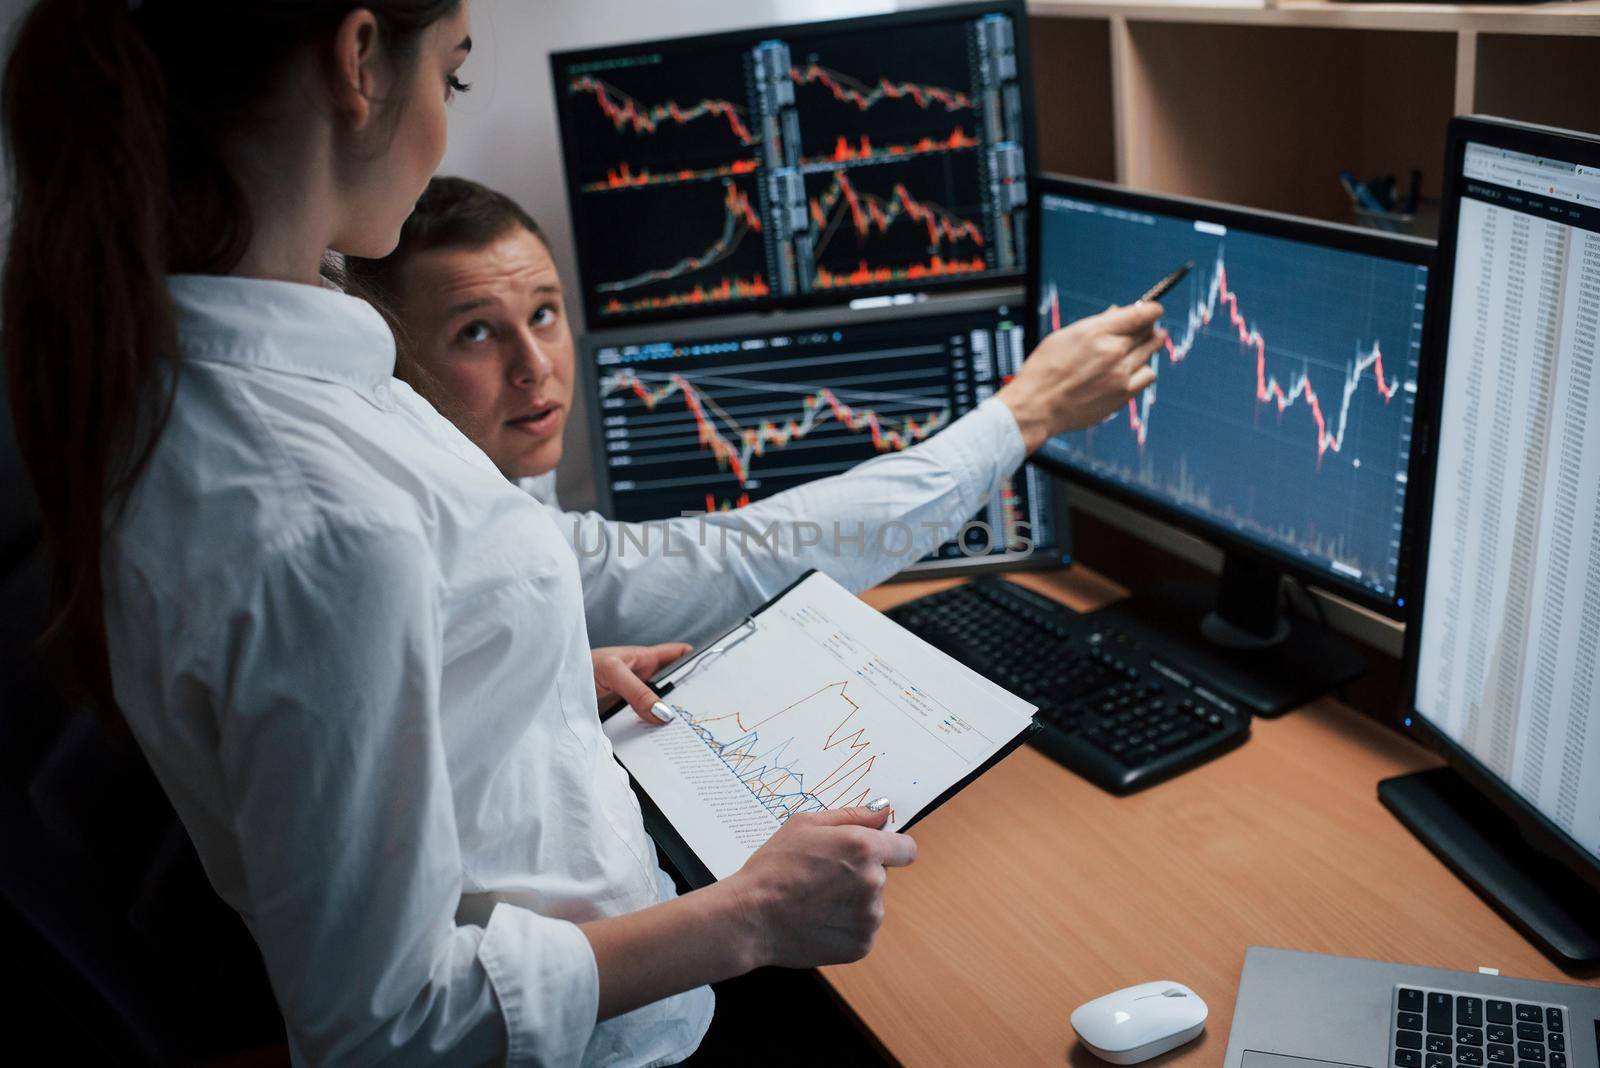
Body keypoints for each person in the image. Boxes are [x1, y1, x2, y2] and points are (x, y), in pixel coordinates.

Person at [1, 4, 1164, 1066]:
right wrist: (751, 918)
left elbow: (366, 687)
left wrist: (541, 668)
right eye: (451, 78)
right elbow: (381, 1029)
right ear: (359, 62)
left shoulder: (215, 384)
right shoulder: (318, 508)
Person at [346, 177, 1168, 720]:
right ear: (395, 354)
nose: (533, 368)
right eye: (476, 332)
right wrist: (1026, 414)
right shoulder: (465, 525)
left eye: (546, 314)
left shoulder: (502, 466)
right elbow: (739, 561)